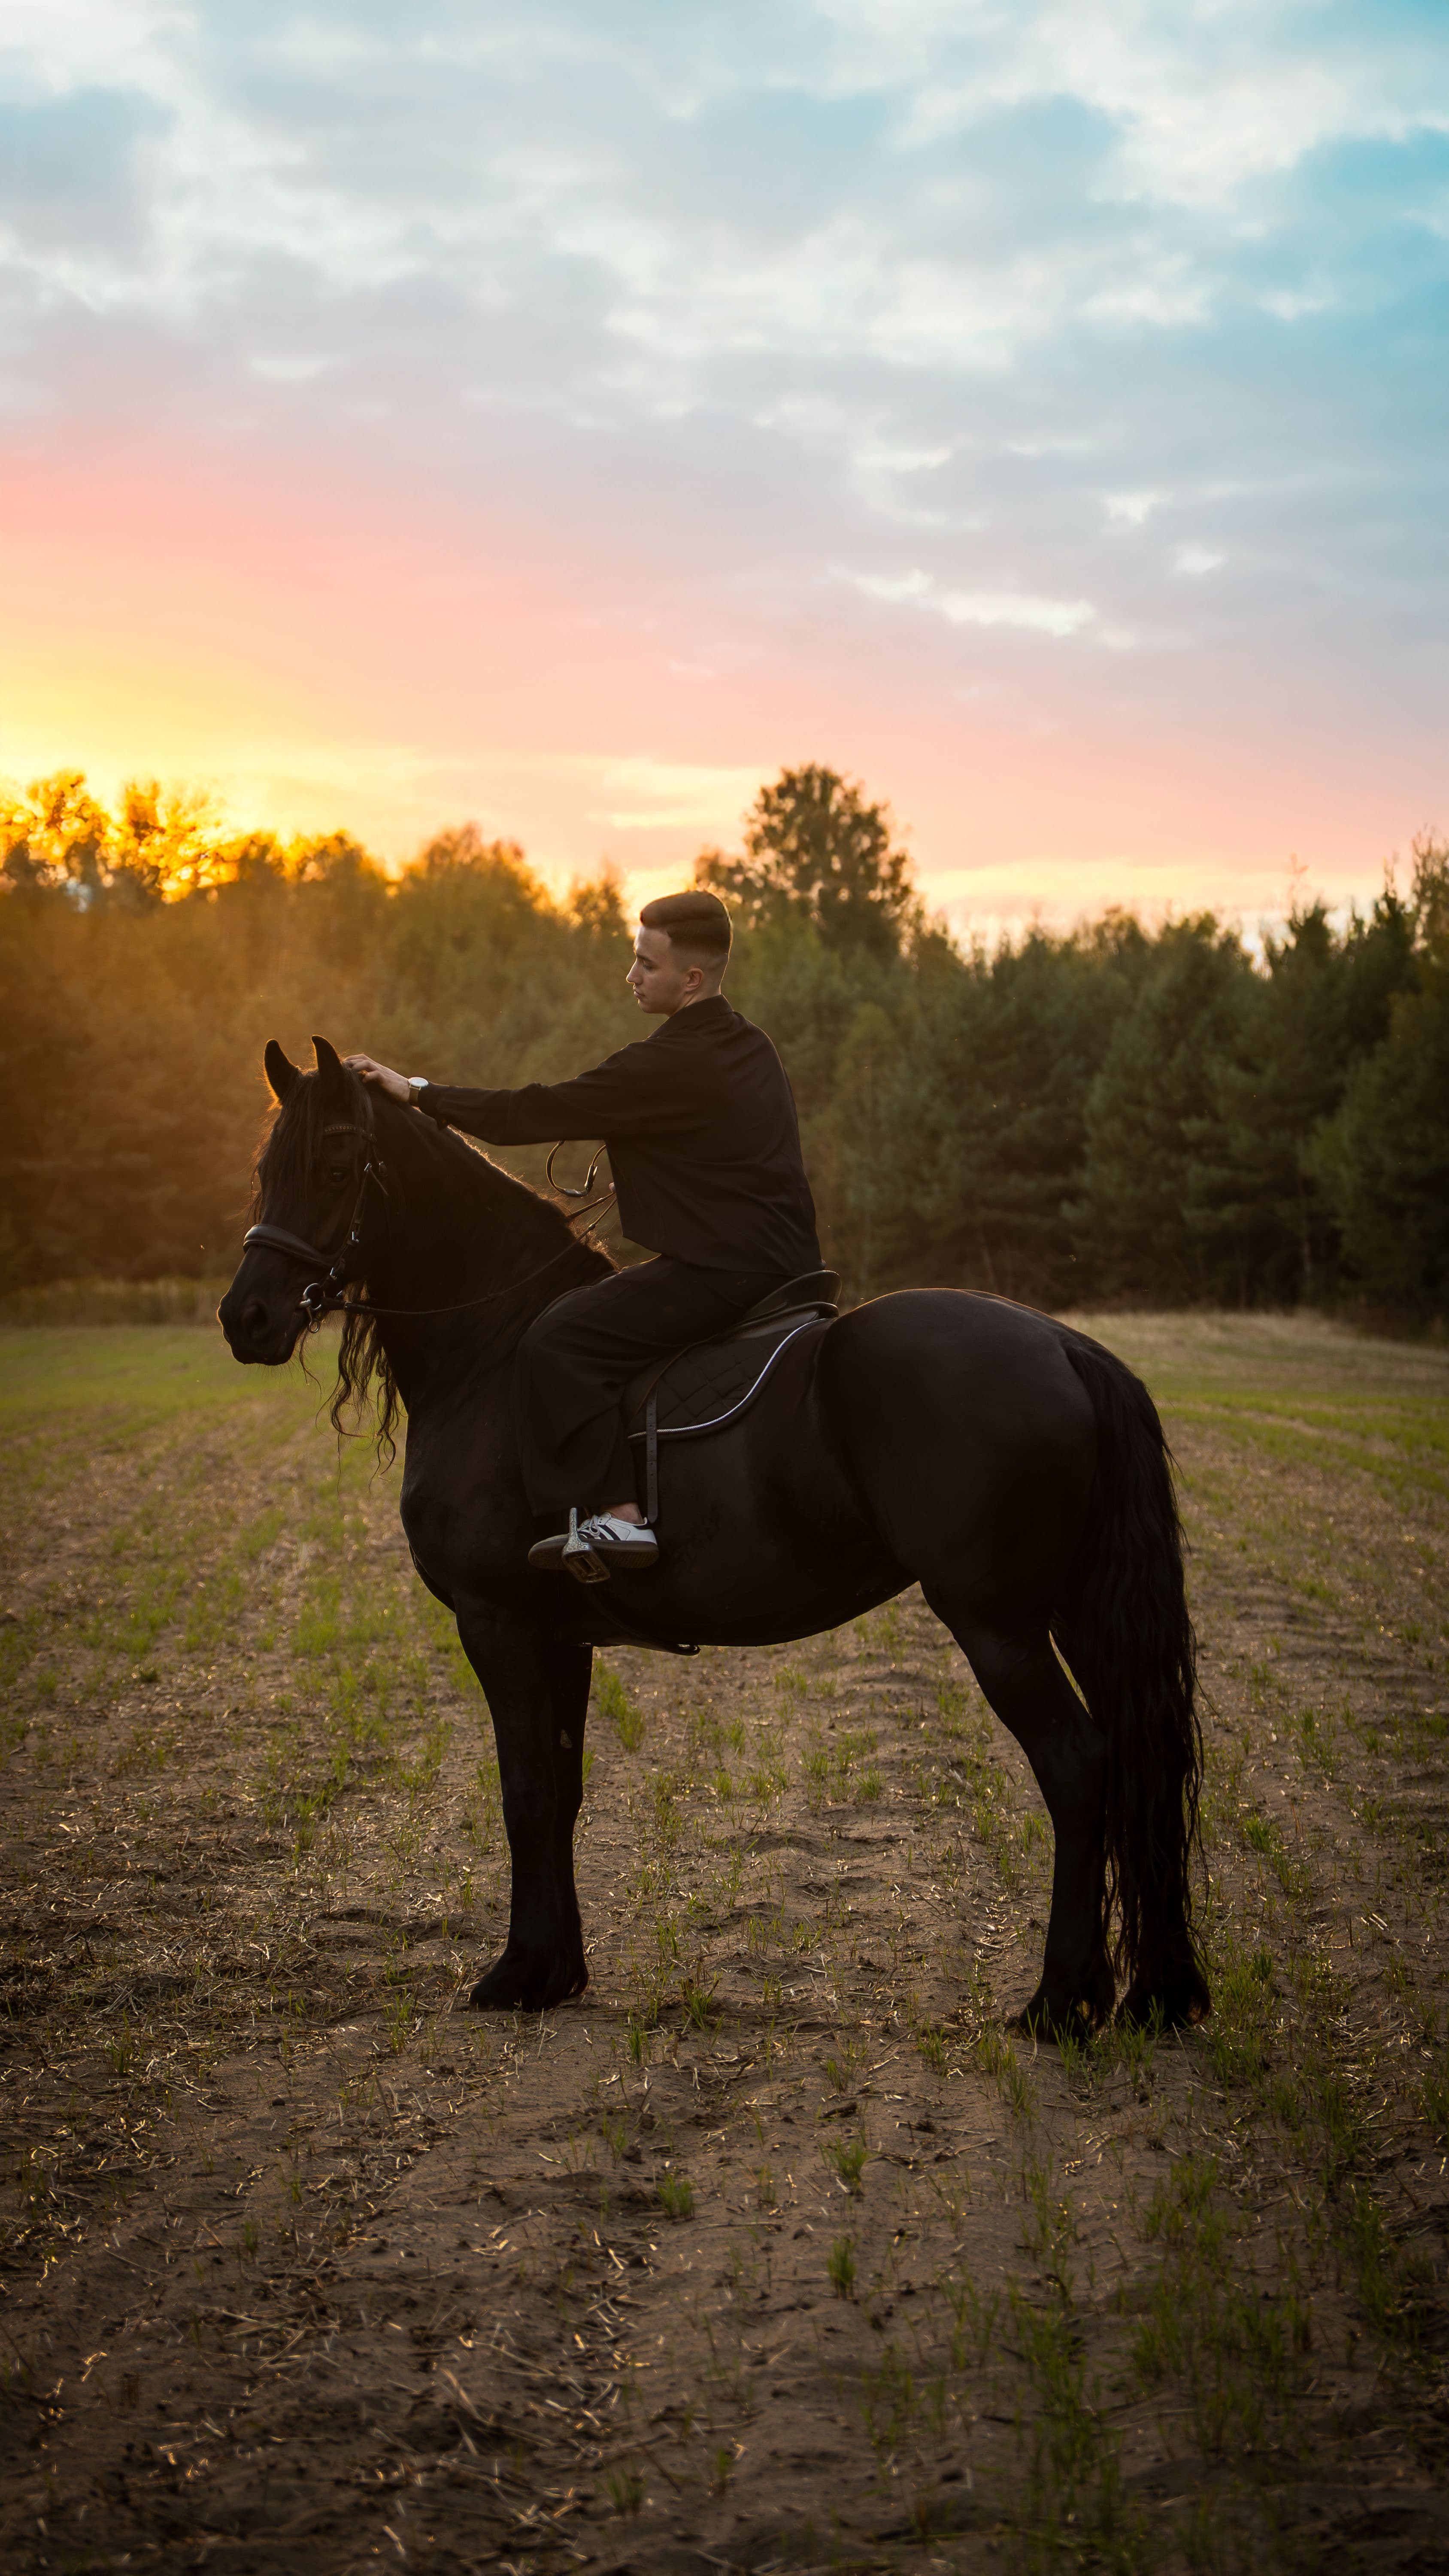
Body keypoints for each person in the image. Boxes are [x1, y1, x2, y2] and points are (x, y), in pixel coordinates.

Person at [345, 890, 820, 1573]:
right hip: (791, 1265)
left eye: (646, 965)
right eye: (634, 960)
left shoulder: (669, 1062)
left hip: (727, 1272)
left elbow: (532, 1112)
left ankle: (616, 1519)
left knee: (559, 1339)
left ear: (691, 979)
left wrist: (416, 1093)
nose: (632, 976)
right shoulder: (749, 1045)